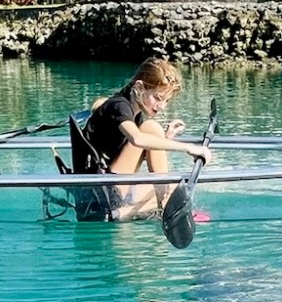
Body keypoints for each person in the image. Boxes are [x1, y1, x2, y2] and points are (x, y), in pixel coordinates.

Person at [83, 56, 212, 221]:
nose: (162, 106)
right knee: (151, 128)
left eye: (166, 101)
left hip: (103, 192)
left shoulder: (134, 113)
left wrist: (165, 137)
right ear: (139, 87)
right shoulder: (119, 106)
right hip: (102, 193)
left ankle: (122, 213)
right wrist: (189, 148)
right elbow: (137, 139)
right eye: (158, 98)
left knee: (174, 189)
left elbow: (134, 150)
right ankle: (165, 208)